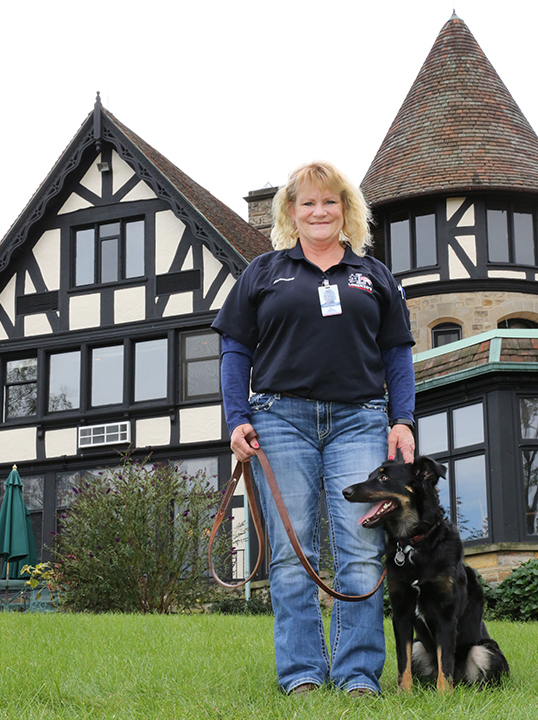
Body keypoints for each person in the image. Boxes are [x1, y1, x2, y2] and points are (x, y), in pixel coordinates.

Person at [211, 161, 415, 697]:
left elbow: (396, 353)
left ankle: (355, 676)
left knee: (361, 548)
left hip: (360, 419)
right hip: (280, 419)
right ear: (290, 213)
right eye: (307, 203)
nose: (319, 211)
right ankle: (302, 672)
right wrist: (237, 418)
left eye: (330, 202)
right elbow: (235, 349)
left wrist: (402, 420)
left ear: (346, 211)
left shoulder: (373, 276)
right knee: (291, 550)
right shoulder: (263, 272)